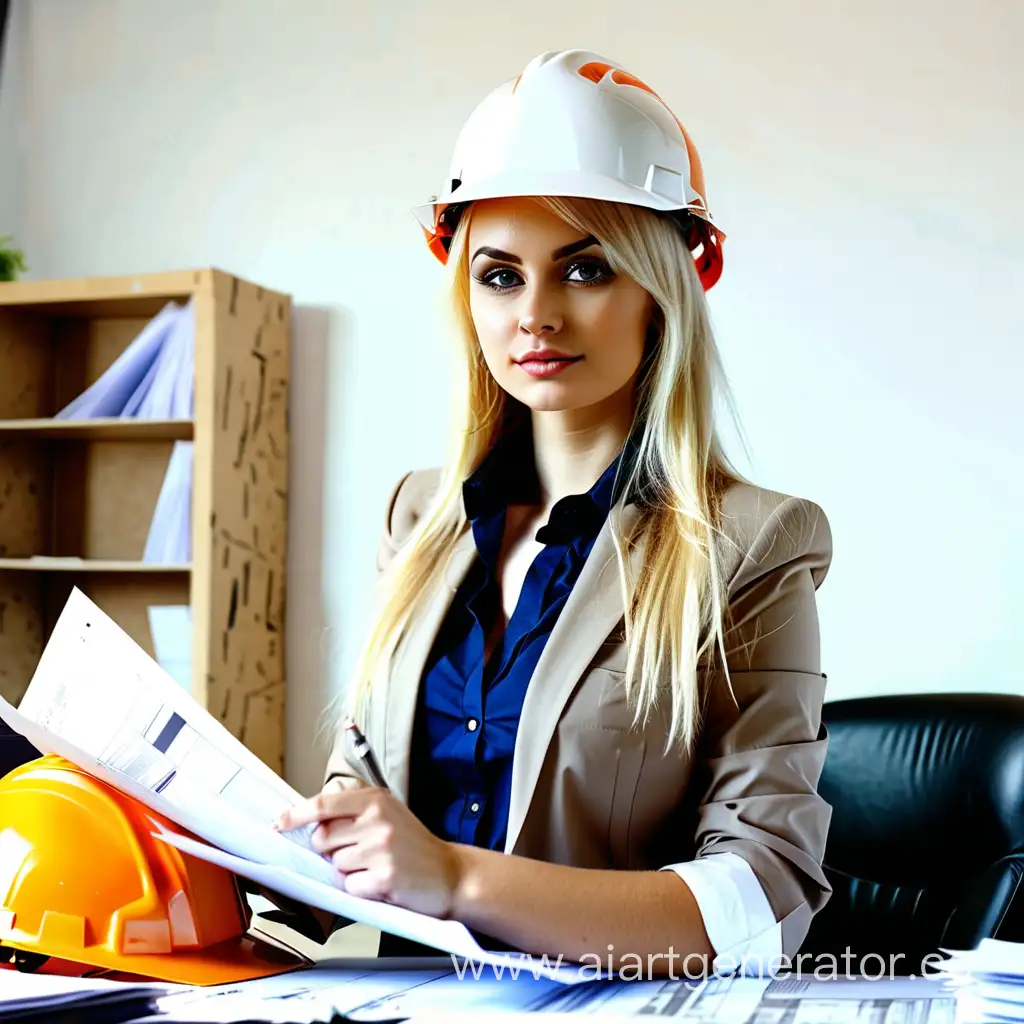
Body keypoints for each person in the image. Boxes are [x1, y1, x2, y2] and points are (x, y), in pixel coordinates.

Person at [276, 48, 833, 975]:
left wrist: (457, 878)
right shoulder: (418, 521)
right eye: (499, 275)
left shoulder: (752, 545)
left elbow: (763, 901)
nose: (534, 314)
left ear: (664, 291)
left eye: (585, 271)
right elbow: (363, 793)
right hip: (403, 1001)